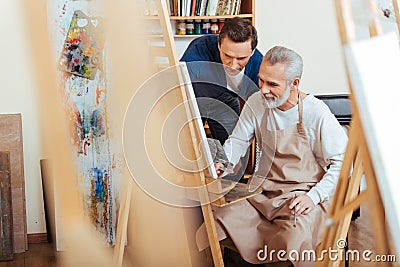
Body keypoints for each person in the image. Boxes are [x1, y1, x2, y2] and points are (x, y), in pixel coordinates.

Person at [196, 46, 348, 266]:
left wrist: (313, 197)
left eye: (272, 84)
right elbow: (238, 141)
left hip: (303, 198)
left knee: (291, 240)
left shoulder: (317, 113)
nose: (264, 89)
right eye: (261, 81)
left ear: (294, 84)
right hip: (263, 195)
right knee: (218, 222)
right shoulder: (257, 103)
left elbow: (343, 166)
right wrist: (224, 163)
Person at [180, 17, 263, 145]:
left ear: (251, 52)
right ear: (219, 45)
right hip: (195, 101)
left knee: (234, 148)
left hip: (225, 101)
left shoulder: (258, 65)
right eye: (227, 56)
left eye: (241, 58)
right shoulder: (199, 49)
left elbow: (263, 105)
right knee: (187, 147)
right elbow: (179, 86)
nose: (233, 65)